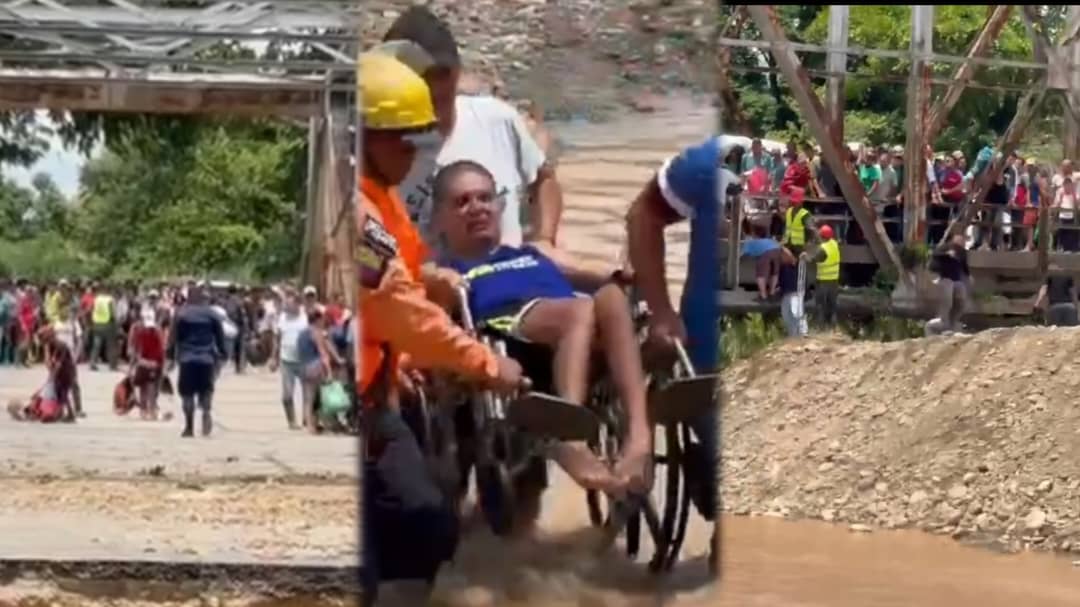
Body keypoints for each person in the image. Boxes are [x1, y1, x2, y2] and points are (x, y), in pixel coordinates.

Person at [356, 51, 527, 600]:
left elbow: (399, 283)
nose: (412, 152)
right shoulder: (358, 213)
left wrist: (403, 351)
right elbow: (399, 308)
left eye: (419, 139)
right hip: (348, 409)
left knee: (428, 524)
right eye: (399, 139)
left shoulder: (382, 201)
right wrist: (486, 362)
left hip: (379, 394)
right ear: (361, 135)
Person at [432, 159, 649, 497]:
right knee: (578, 310)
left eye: (484, 198)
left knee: (610, 295)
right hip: (512, 328)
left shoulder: (531, 251)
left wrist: (624, 275)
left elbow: (593, 275)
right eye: (462, 202)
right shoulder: (445, 270)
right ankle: (571, 439)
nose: (476, 208)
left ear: (499, 205)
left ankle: (639, 434)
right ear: (440, 218)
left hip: (577, 324)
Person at [381, 6, 577, 267]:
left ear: (457, 73)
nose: (434, 87)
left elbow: (544, 180)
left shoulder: (497, 120)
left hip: (514, 282)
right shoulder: (379, 151)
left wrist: (544, 239)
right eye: (421, 81)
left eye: (441, 75)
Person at [166, 281, 226, 438]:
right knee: (206, 389)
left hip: (186, 358)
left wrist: (169, 358)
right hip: (207, 359)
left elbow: (172, 339)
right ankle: (206, 411)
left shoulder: (180, 314)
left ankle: (189, 427)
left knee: (187, 394)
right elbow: (220, 338)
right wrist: (223, 354)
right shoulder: (212, 314)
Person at [296, 305, 341, 434]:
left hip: (303, 367)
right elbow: (323, 353)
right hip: (315, 367)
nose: (323, 321)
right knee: (322, 398)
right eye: (321, 319)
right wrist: (329, 372)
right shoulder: (316, 333)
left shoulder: (302, 333)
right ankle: (327, 424)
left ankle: (310, 426)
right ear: (317, 319)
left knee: (308, 399)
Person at [269, 291, 307, 430]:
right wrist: (273, 357)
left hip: (304, 360)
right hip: (286, 360)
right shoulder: (282, 318)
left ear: (297, 304)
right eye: (286, 304)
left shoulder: (305, 317)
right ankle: (292, 421)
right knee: (287, 395)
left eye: (289, 304)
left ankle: (307, 419)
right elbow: (276, 339)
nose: (286, 307)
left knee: (308, 393)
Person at [926, 232, 971, 335]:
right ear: (955, 238)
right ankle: (943, 319)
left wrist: (969, 275)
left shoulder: (962, 252)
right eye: (960, 239)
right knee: (948, 299)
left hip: (957, 280)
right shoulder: (946, 247)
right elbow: (934, 254)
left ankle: (953, 320)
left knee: (961, 299)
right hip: (945, 278)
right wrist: (947, 254)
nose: (962, 242)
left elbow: (964, 265)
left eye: (963, 240)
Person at [129, 307, 166, 420]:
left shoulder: (138, 329)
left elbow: (134, 349)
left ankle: (144, 410)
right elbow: (162, 349)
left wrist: (134, 364)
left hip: (145, 363)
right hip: (153, 363)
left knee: (144, 387)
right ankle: (150, 409)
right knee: (151, 388)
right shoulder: (157, 330)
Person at [803, 225, 841, 329]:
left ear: (822, 236)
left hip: (823, 281)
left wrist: (805, 256)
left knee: (820, 306)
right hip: (834, 280)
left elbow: (812, 260)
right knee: (832, 306)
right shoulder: (834, 244)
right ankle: (834, 328)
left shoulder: (823, 249)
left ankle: (821, 329)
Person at [777, 246, 808, 337]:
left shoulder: (798, 264)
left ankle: (803, 332)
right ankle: (793, 335)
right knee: (786, 315)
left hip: (796, 293)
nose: (782, 258)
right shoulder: (783, 267)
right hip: (786, 293)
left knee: (797, 312)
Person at [781, 186, 816, 256]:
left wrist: (807, 247)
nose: (793, 203)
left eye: (795, 202)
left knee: (799, 266)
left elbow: (812, 231)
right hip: (787, 245)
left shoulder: (805, 214)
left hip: (800, 248)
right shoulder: (789, 211)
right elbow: (787, 227)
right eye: (793, 201)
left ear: (801, 202)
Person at [89, 285, 117, 371]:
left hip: (97, 324)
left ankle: (92, 363)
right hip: (107, 323)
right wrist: (115, 322)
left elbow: (91, 309)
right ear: (108, 290)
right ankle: (112, 365)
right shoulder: (110, 299)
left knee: (96, 345)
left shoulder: (96, 299)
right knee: (110, 345)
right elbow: (112, 312)